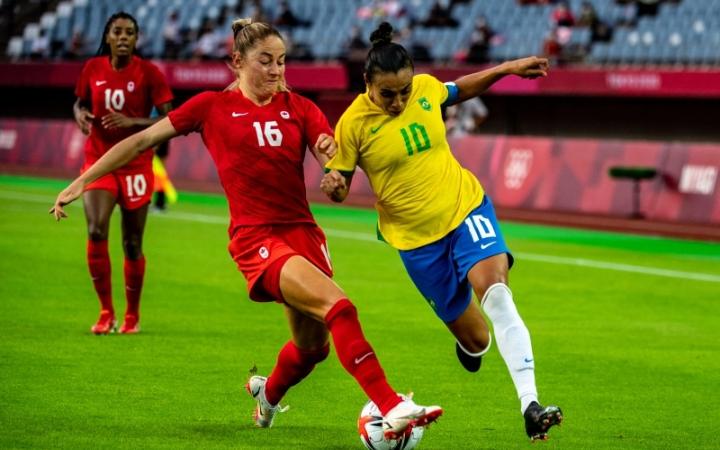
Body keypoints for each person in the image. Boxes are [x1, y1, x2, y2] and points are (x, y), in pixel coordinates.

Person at [51, 18, 442, 439]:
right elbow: (139, 141)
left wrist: (333, 165)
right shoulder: (210, 107)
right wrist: (83, 179)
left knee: (312, 349)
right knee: (340, 307)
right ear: (237, 62)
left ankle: (266, 397)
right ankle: (392, 404)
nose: (276, 71)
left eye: (282, 62)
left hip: (303, 235)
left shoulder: (300, 107)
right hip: (257, 239)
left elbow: (328, 152)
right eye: (265, 61)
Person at [321, 22, 563, 441]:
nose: (399, 101)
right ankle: (471, 346)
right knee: (477, 338)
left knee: (498, 295)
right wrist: (336, 185)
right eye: (388, 94)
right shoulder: (353, 124)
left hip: (464, 207)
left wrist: (505, 68)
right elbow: (338, 181)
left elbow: (460, 88)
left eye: (404, 90)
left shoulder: (427, 90)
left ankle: (530, 404)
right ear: (367, 84)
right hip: (416, 242)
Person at [70, 11, 173, 334]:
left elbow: (172, 120)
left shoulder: (149, 73)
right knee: (97, 230)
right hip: (100, 161)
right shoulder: (92, 68)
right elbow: (78, 103)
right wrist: (81, 116)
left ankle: (132, 315)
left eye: (130, 32)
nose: (124, 37)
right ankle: (105, 312)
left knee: (131, 243)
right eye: (118, 32)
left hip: (136, 163)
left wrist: (135, 123)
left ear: (136, 38)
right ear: (108, 37)